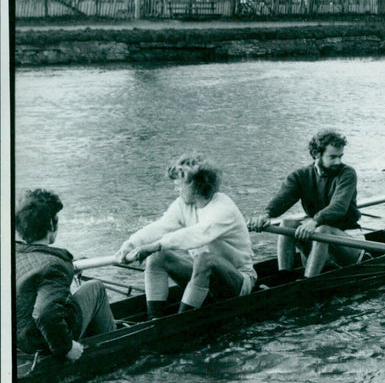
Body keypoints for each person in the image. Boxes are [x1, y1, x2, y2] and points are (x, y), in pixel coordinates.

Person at [115, 154, 257, 318]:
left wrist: (155, 245)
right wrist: (130, 245)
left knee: (205, 259)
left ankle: (182, 321)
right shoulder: (182, 205)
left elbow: (199, 234)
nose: (176, 189)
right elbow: (160, 227)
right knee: (157, 257)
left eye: (179, 185)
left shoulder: (223, 207)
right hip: (205, 276)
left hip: (239, 282)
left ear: (196, 185)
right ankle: (154, 320)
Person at [16, 189, 116, 361]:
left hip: (18, 338)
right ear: (52, 225)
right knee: (96, 288)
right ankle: (112, 350)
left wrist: (69, 267)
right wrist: (66, 348)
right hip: (42, 341)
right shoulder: (54, 266)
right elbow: (44, 313)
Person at [247, 130, 363, 278]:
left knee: (323, 230)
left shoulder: (347, 173)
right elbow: (282, 199)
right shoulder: (300, 176)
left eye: (340, 156)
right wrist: (265, 215)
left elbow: (339, 206)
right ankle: (284, 277)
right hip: (320, 236)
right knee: (287, 223)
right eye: (333, 157)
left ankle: (307, 283)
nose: (338, 162)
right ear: (316, 154)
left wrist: (314, 221)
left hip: (350, 241)